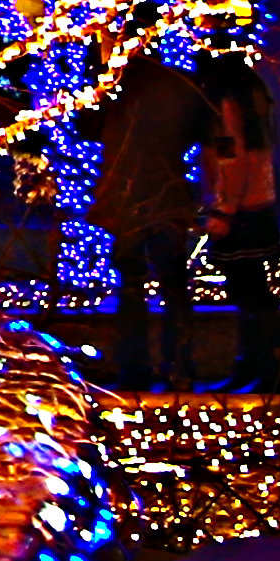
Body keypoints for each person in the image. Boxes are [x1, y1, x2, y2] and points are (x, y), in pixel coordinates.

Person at [93, 54, 205, 392]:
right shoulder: (177, 85)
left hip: (132, 198)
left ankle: (135, 368)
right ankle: (178, 366)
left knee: (133, 287)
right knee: (172, 287)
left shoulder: (117, 85)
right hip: (165, 193)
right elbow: (197, 130)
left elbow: (91, 126)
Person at [195, 53, 280, 393]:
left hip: (238, 213)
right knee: (256, 293)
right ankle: (265, 367)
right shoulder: (256, 107)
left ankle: (257, 368)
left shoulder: (227, 110)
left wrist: (222, 210)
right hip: (259, 207)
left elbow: (230, 160)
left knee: (248, 293)